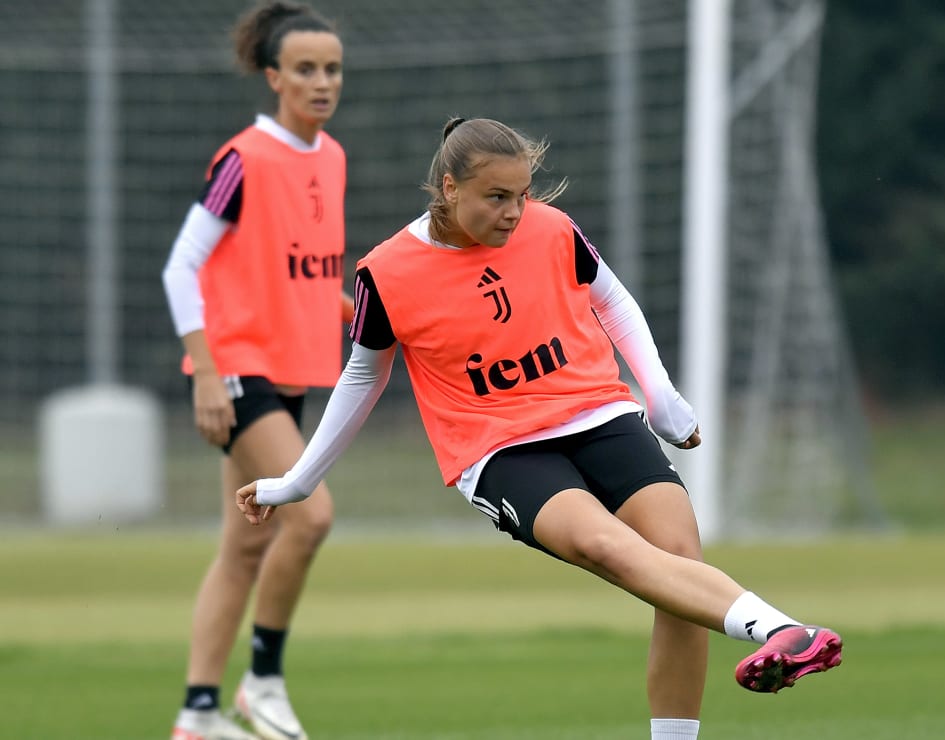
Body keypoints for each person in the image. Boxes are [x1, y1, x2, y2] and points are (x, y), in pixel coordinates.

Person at [235, 117, 842, 740]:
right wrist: (299, 480)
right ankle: (779, 630)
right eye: (497, 197)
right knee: (607, 546)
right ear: (448, 188)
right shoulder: (385, 273)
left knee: (679, 561)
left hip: (598, 414)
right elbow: (363, 379)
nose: (515, 212)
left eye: (523, 195)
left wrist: (659, 396)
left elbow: (613, 300)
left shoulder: (554, 228)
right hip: (499, 448)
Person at [159, 3, 350, 739]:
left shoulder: (329, 157)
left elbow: (304, 276)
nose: (321, 81)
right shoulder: (244, 158)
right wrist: (205, 371)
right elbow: (183, 266)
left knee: (245, 544)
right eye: (305, 69)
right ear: (273, 77)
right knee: (313, 514)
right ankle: (262, 682)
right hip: (236, 369)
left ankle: (196, 714)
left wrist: (364, 318)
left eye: (331, 68)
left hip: (290, 373)